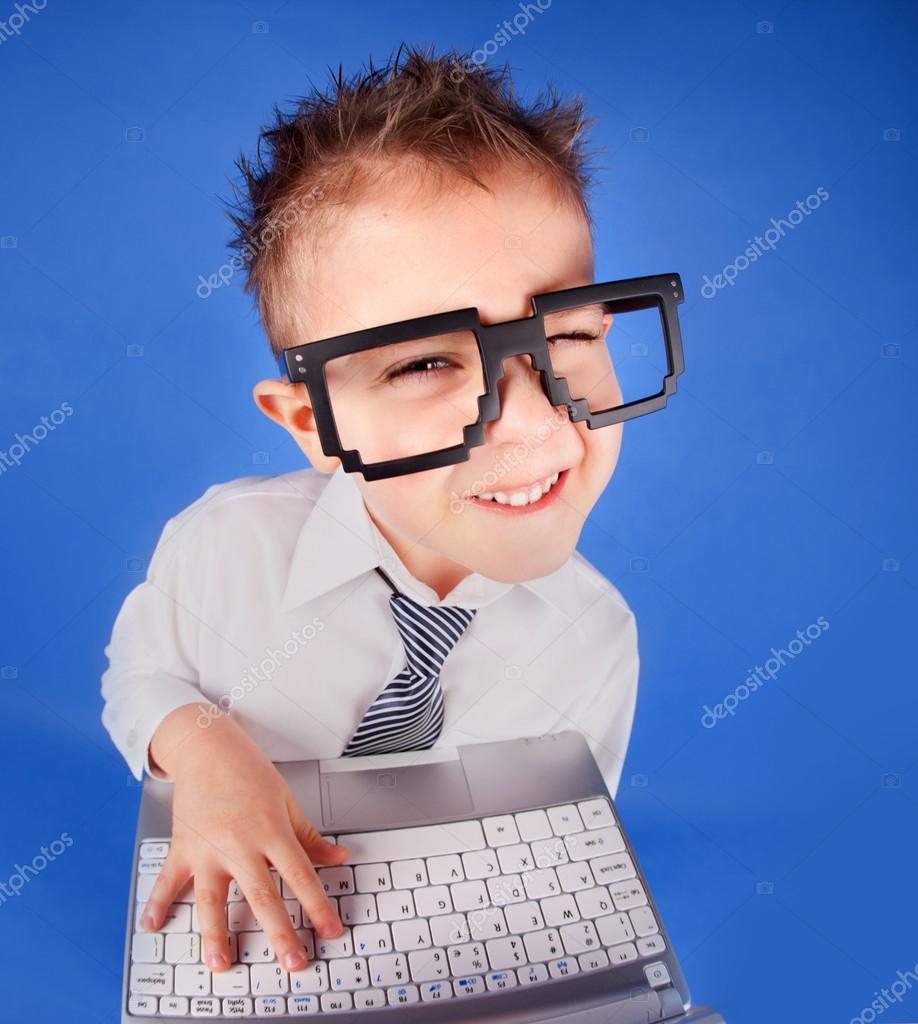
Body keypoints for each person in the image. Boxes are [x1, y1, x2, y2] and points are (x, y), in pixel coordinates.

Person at [101, 43, 651, 978]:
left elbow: (566, 838)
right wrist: (204, 751)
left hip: (461, 932)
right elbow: (139, 674)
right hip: (245, 912)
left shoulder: (596, 633)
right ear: (312, 422)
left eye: (564, 332)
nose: (532, 422)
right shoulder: (221, 546)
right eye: (428, 363)